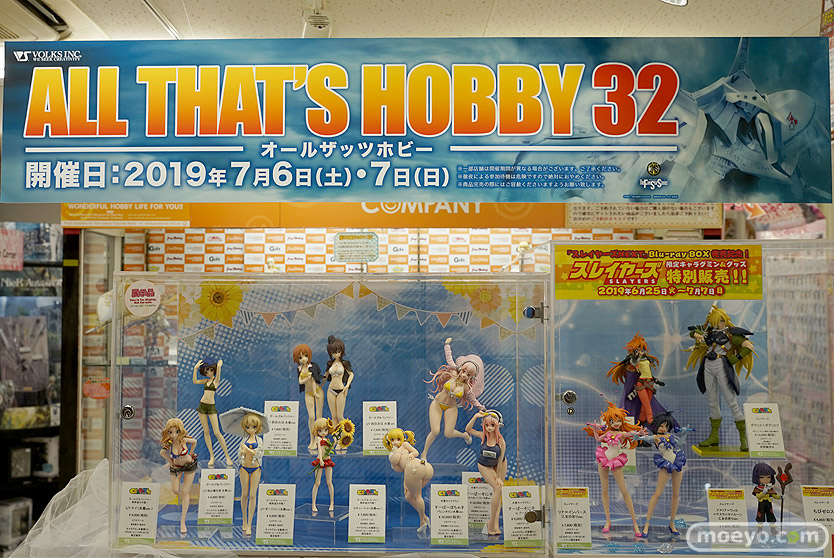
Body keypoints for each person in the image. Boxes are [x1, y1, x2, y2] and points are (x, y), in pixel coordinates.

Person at [686, 306, 756, 450]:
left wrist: (736, 358)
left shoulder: (731, 334)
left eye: (721, 320)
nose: (720, 323)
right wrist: (697, 334)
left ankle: (743, 437)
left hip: (721, 364)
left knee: (731, 400)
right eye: (717, 321)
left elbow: (749, 346)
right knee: (712, 401)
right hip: (708, 365)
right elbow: (692, 332)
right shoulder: (709, 331)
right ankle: (714, 436)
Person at [583, 402, 644, 537]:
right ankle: (607, 521)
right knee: (604, 490)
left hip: (615, 461)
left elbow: (631, 434)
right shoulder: (608, 432)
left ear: (621, 421)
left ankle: (635, 523)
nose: (615, 423)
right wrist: (594, 429)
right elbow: (598, 439)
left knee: (624, 491)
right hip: (603, 459)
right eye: (612, 421)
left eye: (618, 421)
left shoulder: (622, 433)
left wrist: (638, 434)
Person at [422, 337, 486, 459]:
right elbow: (449, 358)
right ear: (461, 368)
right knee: (435, 431)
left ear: (472, 377)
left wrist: (481, 408)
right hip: (437, 403)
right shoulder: (453, 373)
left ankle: (464, 435)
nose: (464, 375)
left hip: (451, 407)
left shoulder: (466, 387)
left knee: (448, 433)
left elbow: (473, 400)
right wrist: (447, 345)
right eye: (464, 371)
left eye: (468, 374)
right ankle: (424, 454)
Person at [636, 412, 693, 537]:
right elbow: (645, 439)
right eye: (661, 426)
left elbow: (679, 443)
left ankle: (672, 524)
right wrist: (638, 436)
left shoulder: (670, 435)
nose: (663, 428)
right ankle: (646, 525)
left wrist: (684, 433)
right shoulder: (656, 437)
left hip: (677, 461)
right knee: (657, 494)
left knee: (676, 494)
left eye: (666, 426)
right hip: (665, 464)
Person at [606, 333, 673, 427]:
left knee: (644, 408)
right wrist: (635, 357)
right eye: (638, 350)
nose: (641, 352)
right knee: (647, 407)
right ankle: (651, 421)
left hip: (650, 383)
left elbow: (648, 372)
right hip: (641, 384)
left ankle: (641, 424)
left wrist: (656, 381)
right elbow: (633, 364)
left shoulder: (646, 359)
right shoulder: (634, 360)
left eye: (642, 349)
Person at [383, 428, 434, 534]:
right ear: (389, 440)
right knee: (408, 496)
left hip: (415, 467)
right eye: (392, 440)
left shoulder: (404, 445)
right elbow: (403, 471)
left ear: (402, 438)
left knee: (417, 495)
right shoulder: (393, 451)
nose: (395, 442)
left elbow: (415, 452)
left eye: (398, 439)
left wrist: (412, 454)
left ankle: (422, 521)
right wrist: (405, 483)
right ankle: (425, 517)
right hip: (420, 468)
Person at [465, 411, 507, 536]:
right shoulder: (483, 436)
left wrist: (498, 477)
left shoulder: (501, 441)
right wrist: (475, 416)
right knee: (498, 489)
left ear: (497, 425)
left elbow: (500, 460)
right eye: (487, 425)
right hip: (484, 465)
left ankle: (495, 525)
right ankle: (490, 523)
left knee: (498, 491)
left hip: (500, 464)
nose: (489, 428)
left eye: (492, 425)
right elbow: (468, 429)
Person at [192, 358, 233, 467]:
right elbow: (195, 381)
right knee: (206, 431)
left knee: (216, 432)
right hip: (202, 406)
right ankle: (212, 456)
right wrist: (195, 369)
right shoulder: (206, 381)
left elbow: (218, 375)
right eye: (206, 371)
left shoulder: (216, 381)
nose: (208, 372)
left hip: (211, 407)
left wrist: (219, 366)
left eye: (210, 370)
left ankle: (227, 456)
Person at [160, 418, 198, 534]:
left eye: (176, 432)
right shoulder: (169, 443)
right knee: (175, 490)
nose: (174, 435)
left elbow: (194, 441)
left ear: (180, 431)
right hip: (176, 467)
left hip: (189, 466)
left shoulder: (183, 440)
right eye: (170, 432)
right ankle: (182, 516)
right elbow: (162, 453)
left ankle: (183, 522)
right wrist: (170, 461)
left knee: (185, 492)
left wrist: (191, 453)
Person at [238, 413, 265, 536]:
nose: (250, 429)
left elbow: (259, 454)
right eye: (247, 427)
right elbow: (240, 455)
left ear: (257, 427)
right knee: (244, 494)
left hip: (255, 468)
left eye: (253, 427)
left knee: (253, 495)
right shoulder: (243, 440)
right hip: (244, 467)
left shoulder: (259, 440)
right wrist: (242, 452)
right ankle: (244, 520)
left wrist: (247, 449)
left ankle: (249, 524)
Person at [293, 344, 323, 451]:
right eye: (300, 357)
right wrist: (307, 378)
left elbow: (314, 381)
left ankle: (319, 440)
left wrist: (315, 392)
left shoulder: (312, 366)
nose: (303, 359)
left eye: (305, 356)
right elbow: (300, 381)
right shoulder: (299, 369)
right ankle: (312, 440)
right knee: (311, 417)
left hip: (317, 392)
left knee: (319, 417)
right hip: (308, 393)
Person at [325, 336, 354, 425]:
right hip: (330, 390)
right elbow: (325, 376)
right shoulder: (330, 363)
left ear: (341, 351)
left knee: (340, 416)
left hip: (341, 390)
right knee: (333, 416)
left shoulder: (344, 363)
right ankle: (335, 434)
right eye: (333, 352)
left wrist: (347, 385)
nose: (336, 354)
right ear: (330, 353)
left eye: (338, 352)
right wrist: (318, 387)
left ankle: (346, 432)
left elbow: (351, 374)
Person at [752, 463, 780, 534]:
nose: (765, 480)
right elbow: (758, 496)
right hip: (761, 503)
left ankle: (773, 529)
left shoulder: (769, 488)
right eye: (762, 477)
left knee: (771, 516)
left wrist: (780, 497)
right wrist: (763, 492)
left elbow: (774, 496)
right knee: (760, 516)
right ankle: (759, 529)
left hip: (768, 503)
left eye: (768, 477)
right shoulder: (758, 488)